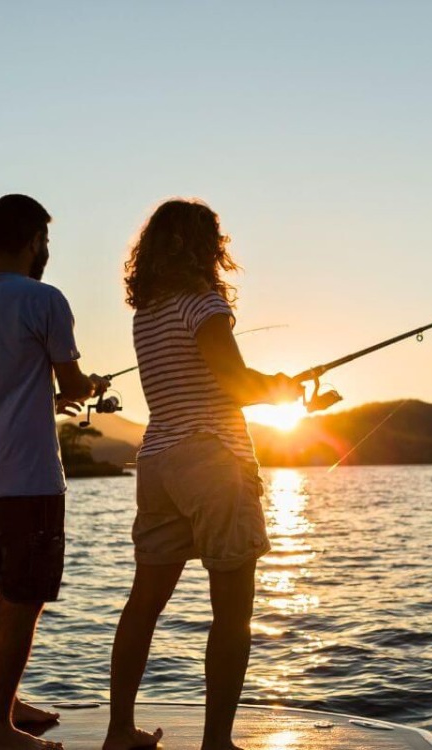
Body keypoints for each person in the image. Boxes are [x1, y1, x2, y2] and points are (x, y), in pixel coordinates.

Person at [103, 199, 304, 750]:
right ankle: (216, 743)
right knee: (233, 614)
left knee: (144, 601)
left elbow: (206, 378)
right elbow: (234, 382)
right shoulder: (203, 304)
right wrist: (281, 388)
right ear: (206, 246)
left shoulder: (147, 315)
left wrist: (272, 382)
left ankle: (119, 731)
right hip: (213, 459)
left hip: (159, 462)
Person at [0, 194, 109, 750]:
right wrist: (86, 390)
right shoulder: (44, 299)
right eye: (44, 238)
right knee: (24, 597)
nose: (47, 248)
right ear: (32, 238)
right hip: (29, 478)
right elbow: (74, 381)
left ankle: (5, 704)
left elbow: (2, 380)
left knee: (9, 593)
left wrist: (50, 396)